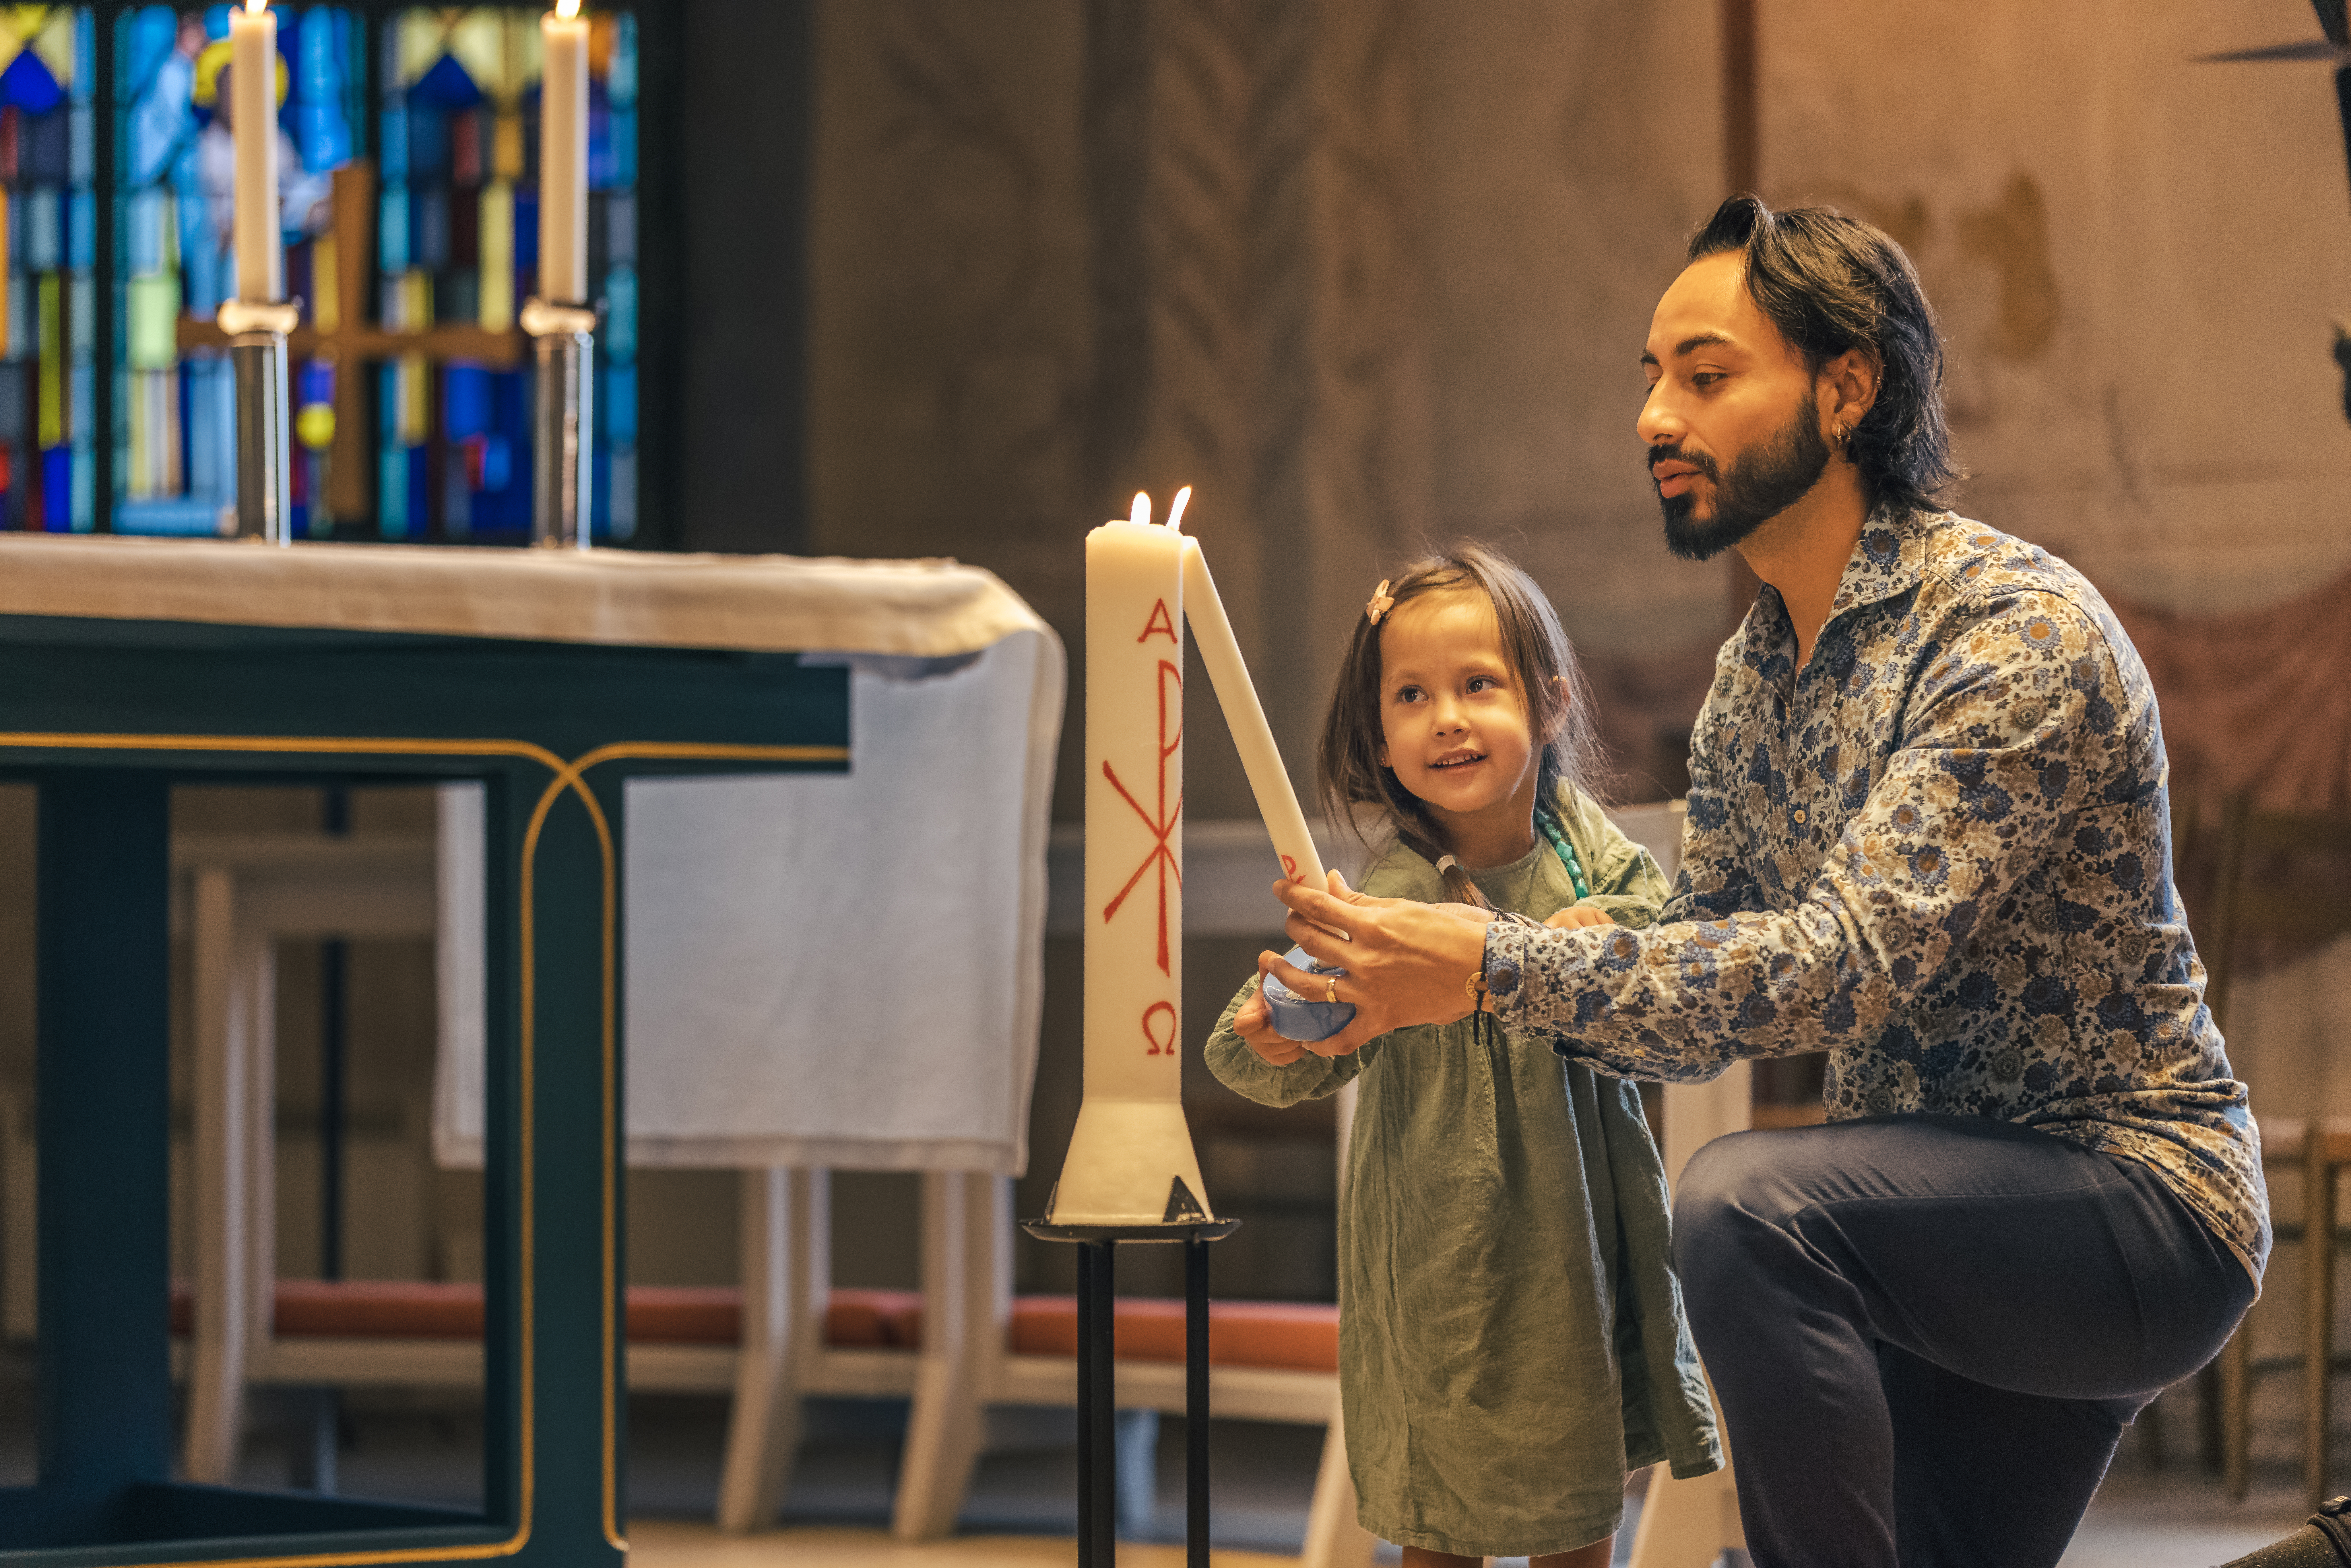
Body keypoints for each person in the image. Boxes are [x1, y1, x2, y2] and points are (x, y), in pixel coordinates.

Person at [1258, 196, 2268, 1568]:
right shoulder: (1755, 677)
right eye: (1651, 377)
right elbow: (1696, 963)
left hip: (2132, 1203)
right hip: (1921, 1232)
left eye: (1705, 375)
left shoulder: (2008, 635)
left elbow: (1831, 965)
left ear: (1844, 389)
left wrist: (1489, 966)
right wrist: (1402, 988)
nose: (1652, 418)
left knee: (1739, 1206)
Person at [1204, 544, 1720, 1568]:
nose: (1446, 716)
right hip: (1436, 1250)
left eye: (1478, 684)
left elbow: (1661, 955)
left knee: (1579, 1492)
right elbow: (1258, 1048)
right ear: (1381, 741)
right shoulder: (1387, 896)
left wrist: (1582, 941)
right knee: (1439, 1507)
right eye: (1411, 695)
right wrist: (1278, 1023)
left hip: (1573, 1248)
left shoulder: (1593, 850)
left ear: (1550, 704)